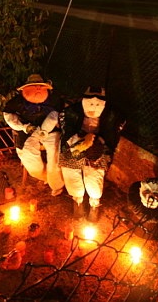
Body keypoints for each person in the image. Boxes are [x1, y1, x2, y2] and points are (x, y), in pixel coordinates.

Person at [59, 87, 125, 221]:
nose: (93, 108)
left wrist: (99, 142)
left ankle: (94, 203)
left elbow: (112, 135)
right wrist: (78, 140)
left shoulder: (112, 115)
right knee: (69, 167)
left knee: (95, 172)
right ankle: (77, 199)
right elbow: (67, 130)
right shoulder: (72, 112)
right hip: (76, 141)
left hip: (99, 144)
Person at [3, 74, 64, 196]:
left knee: (55, 153)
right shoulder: (16, 102)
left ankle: (57, 184)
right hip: (27, 132)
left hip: (50, 130)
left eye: (40, 86)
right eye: (34, 85)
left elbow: (55, 114)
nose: (37, 88)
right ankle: (44, 176)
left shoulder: (54, 100)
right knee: (29, 156)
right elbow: (8, 115)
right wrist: (23, 127)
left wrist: (45, 129)